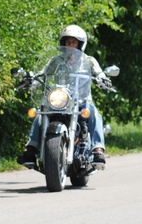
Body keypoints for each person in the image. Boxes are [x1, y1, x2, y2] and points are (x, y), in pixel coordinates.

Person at [17, 24, 112, 167]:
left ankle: (98, 149)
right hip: (59, 99)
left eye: (73, 42)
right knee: (40, 113)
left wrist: (103, 79)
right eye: (67, 42)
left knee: (94, 112)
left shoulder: (88, 60)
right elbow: (42, 74)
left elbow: (99, 73)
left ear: (80, 44)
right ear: (63, 44)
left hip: (81, 100)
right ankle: (31, 149)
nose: (70, 45)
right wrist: (32, 81)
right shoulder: (56, 60)